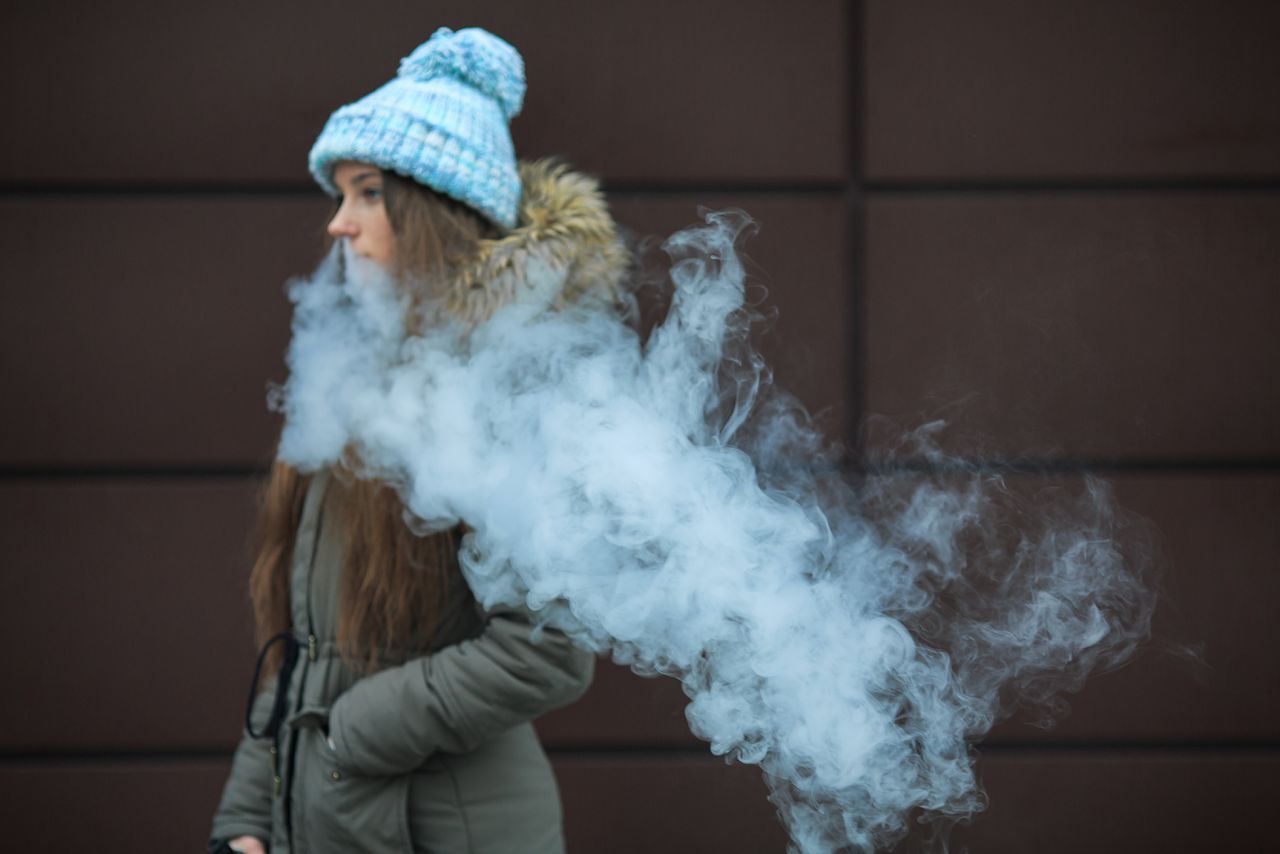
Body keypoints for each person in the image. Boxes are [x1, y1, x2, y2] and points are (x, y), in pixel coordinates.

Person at [208, 26, 632, 854]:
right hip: (337, 821)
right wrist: (247, 819)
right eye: (339, 194)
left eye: (367, 192)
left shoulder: (507, 384)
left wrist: (352, 731)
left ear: (437, 213)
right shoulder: (356, 382)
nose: (339, 224)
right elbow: (302, 644)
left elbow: (545, 653)